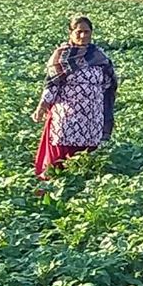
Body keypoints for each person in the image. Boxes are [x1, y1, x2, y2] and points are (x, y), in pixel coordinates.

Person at [33, 15, 119, 178]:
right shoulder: (62, 56)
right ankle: (54, 195)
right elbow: (52, 84)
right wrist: (42, 106)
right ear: (70, 33)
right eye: (79, 32)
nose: (83, 36)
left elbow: (109, 82)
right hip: (67, 120)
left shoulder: (97, 55)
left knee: (86, 164)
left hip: (92, 121)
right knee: (60, 166)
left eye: (87, 32)